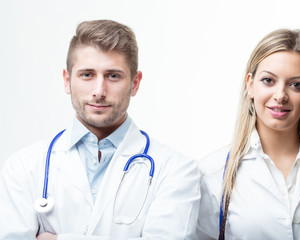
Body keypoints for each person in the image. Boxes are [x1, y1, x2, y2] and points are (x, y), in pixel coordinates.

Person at [0, 20, 200, 240]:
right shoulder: (23, 167)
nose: (99, 91)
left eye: (113, 76)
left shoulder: (176, 170)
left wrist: (58, 239)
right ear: (67, 81)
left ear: (135, 83)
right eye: (87, 74)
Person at [196, 29, 300, 239]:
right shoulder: (213, 173)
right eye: (268, 80)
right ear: (250, 85)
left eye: (296, 85)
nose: (281, 95)